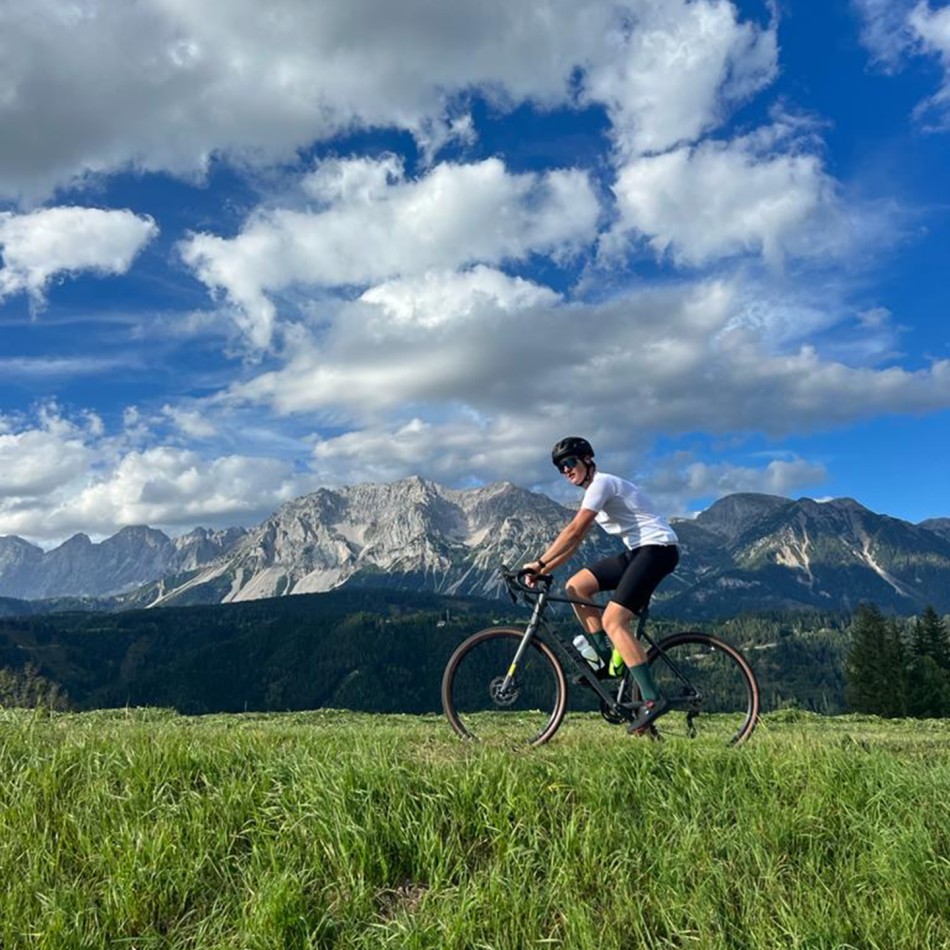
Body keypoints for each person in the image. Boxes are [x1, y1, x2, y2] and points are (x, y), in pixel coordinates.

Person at [523, 436, 679, 735]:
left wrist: (540, 563)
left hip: (657, 549)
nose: (566, 470)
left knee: (613, 620)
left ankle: (651, 699)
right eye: (560, 468)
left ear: (588, 460)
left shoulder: (602, 484)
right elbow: (575, 542)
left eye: (570, 462)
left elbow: (574, 529)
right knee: (576, 587)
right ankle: (604, 659)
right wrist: (543, 569)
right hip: (637, 551)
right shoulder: (594, 492)